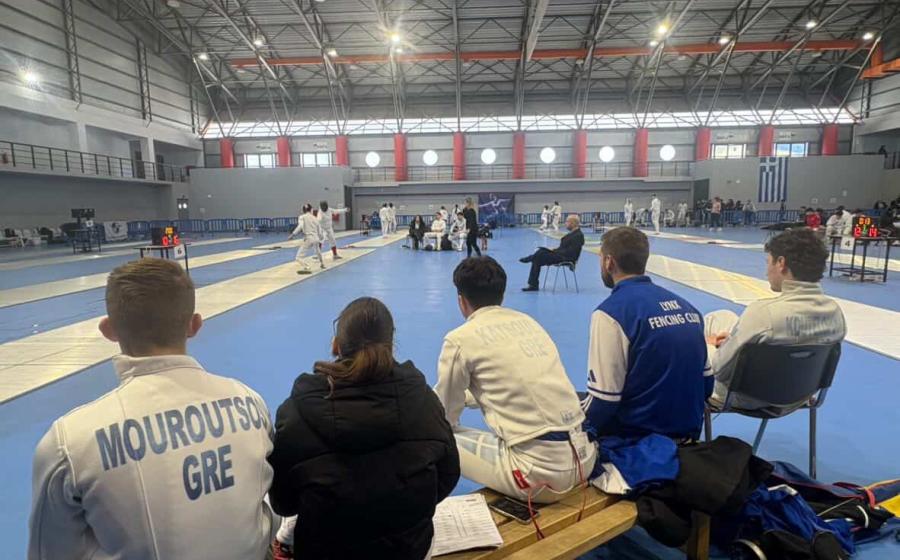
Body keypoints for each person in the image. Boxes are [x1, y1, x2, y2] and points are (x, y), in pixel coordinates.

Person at [28, 259, 276, 560]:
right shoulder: (250, 402)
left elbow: (50, 553)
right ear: (194, 325)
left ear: (108, 330)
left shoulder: (69, 441)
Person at [269, 297, 459, 559]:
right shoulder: (424, 400)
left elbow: (283, 502)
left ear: (336, 345)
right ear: (390, 345)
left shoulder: (296, 411)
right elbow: (448, 475)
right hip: (409, 551)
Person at [435, 257, 595, 503]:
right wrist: (468, 397)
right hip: (585, 458)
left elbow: (444, 416)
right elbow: (516, 384)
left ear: (461, 300)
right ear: (502, 295)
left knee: (435, 434)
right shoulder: (529, 323)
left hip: (539, 476)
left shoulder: (459, 339)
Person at [582, 227, 711, 441]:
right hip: (688, 437)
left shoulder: (610, 314)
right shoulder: (689, 309)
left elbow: (603, 403)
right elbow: (707, 385)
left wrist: (571, 428)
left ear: (608, 262)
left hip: (634, 440)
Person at [704, 229, 846, 414]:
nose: (766, 271)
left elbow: (719, 370)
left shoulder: (763, 313)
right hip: (801, 395)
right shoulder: (835, 313)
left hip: (746, 397)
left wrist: (710, 345)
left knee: (700, 337)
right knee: (723, 317)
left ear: (781, 263)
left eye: (768, 262)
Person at [520, 214, 584, 292]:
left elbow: (571, 252)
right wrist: (553, 250)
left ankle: (530, 260)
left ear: (573, 223)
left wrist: (555, 251)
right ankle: (533, 284)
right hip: (561, 255)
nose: (565, 223)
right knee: (539, 254)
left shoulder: (578, 235)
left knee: (539, 255)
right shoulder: (572, 234)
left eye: (567, 222)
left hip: (567, 258)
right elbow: (563, 248)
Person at [289, 204, 325, 274]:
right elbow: (319, 231)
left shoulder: (302, 217)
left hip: (309, 238)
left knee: (298, 257)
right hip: (316, 238)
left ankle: (307, 267)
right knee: (318, 251)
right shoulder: (315, 218)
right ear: (311, 210)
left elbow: (300, 226)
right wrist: (321, 237)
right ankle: (322, 263)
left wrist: (293, 234)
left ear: (303, 211)